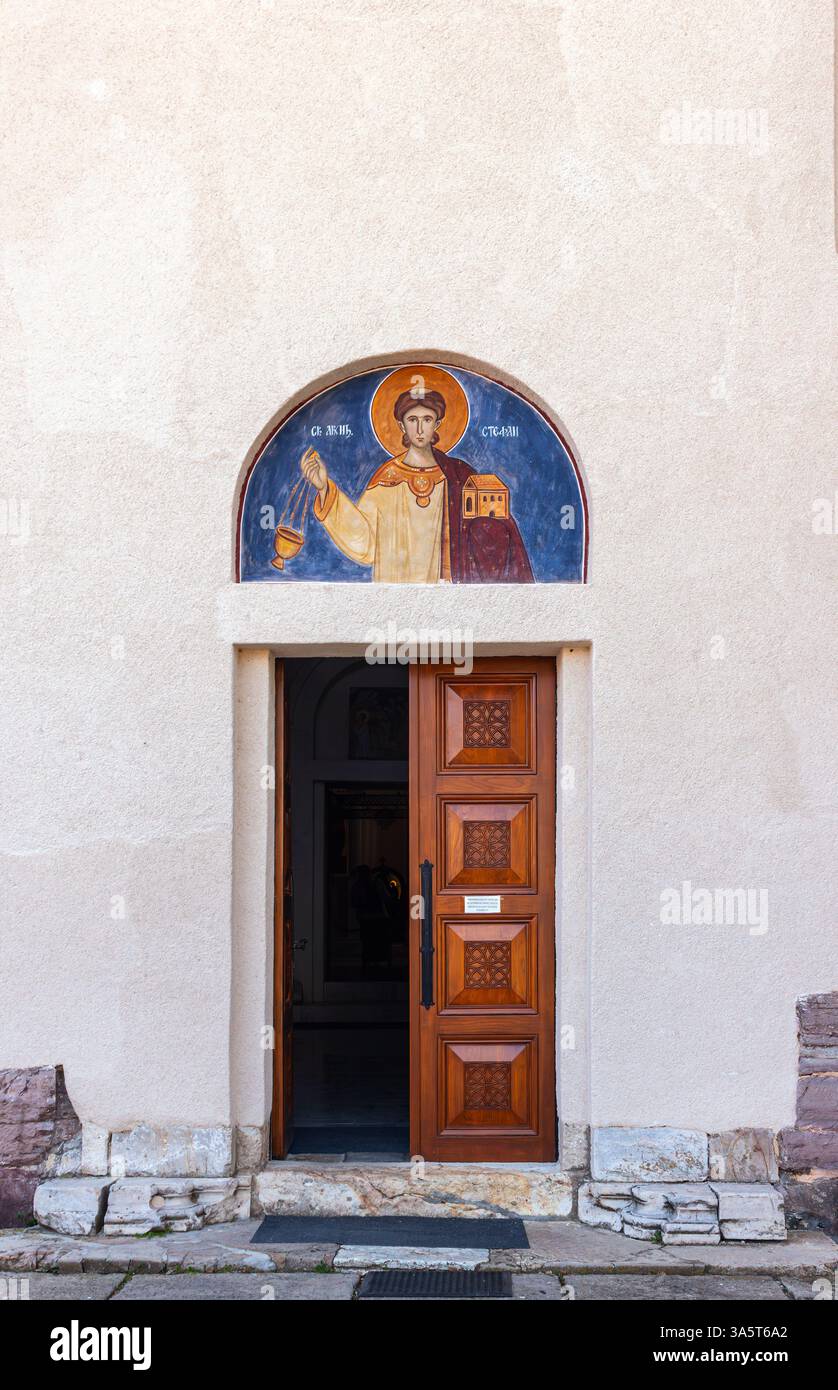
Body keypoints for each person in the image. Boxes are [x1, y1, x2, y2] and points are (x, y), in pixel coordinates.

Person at [301, 388, 534, 582]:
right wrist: (324, 489)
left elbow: (487, 528)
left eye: (427, 420)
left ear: (438, 424)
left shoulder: (459, 475)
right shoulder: (387, 478)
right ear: (402, 426)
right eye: (412, 420)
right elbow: (366, 543)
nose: (420, 429)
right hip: (396, 592)